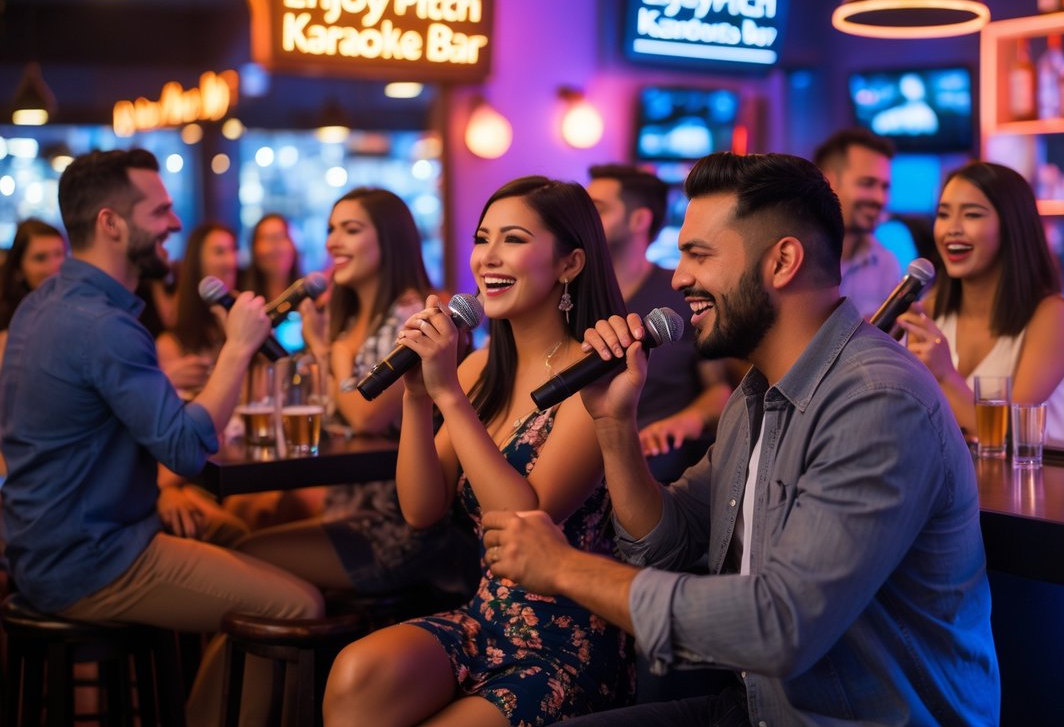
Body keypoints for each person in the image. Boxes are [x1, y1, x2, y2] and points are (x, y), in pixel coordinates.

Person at [482, 152, 1000, 726]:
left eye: (698, 255)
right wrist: (614, 424)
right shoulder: (758, 393)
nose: (679, 279)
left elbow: (781, 626)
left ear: (781, 262)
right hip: (760, 709)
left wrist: (564, 567)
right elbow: (667, 543)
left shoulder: (877, 399)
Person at [0, 149, 323, 726]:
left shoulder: (42, 306)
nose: (175, 224)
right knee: (296, 607)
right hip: (93, 559)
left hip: (36, 546)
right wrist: (237, 347)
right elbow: (185, 449)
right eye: (160, 211)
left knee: (236, 533)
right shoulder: (106, 326)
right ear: (111, 223)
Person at [323, 176, 634, 726]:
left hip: (568, 642)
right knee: (356, 674)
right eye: (481, 238)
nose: (488, 256)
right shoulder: (476, 370)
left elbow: (523, 518)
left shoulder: (595, 376)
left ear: (570, 264)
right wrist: (420, 396)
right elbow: (422, 509)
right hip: (487, 617)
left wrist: (449, 395)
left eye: (513, 239)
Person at [236, 187, 477, 593]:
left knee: (243, 557)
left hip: (396, 525)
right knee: (246, 523)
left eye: (350, 229)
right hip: (347, 507)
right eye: (331, 229)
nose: (333, 241)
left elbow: (367, 416)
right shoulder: (348, 321)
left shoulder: (413, 315)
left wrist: (326, 350)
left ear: (389, 239)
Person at [897, 161, 1064, 447]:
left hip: (1038, 486)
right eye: (943, 215)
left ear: (1011, 226)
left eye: (971, 215)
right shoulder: (928, 313)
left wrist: (945, 374)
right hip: (962, 486)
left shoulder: (1053, 316)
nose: (952, 229)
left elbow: (1013, 433)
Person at [586, 164, 731, 482]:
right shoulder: (572, 297)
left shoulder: (683, 293)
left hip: (653, 455)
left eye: (596, 209)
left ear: (639, 220)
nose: (583, 221)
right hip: (582, 451)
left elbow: (719, 391)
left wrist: (684, 421)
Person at [812, 127, 902, 318]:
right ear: (828, 182)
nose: (879, 198)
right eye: (867, 184)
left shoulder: (886, 264)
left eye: (884, 187)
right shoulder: (794, 257)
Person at [156, 220, 241, 397]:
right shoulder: (171, 344)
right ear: (197, 263)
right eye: (219, 252)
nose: (230, 261)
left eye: (233, 250)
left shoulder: (244, 324)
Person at [0, 218, 66, 370]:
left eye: (59, 254)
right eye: (40, 258)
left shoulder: (76, 302)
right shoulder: (9, 316)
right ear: (19, 267)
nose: (54, 266)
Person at [240, 212, 301, 302]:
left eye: (281, 236)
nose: (276, 246)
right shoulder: (243, 299)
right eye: (267, 238)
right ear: (254, 249)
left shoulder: (312, 298)